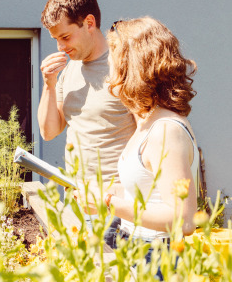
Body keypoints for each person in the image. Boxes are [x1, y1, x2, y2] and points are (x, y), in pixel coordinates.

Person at [75, 17, 199, 280]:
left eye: (112, 66)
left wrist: (108, 204)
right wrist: (106, 192)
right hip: (136, 249)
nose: (109, 77)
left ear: (131, 68)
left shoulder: (166, 130)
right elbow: (147, 191)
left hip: (157, 258)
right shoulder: (147, 122)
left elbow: (183, 219)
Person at [38, 0, 136, 245]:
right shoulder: (68, 70)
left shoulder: (124, 67)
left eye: (66, 37)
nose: (61, 47)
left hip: (118, 207)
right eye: (56, 40)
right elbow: (49, 131)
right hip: (77, 203)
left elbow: (150, 134)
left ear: (89, 23)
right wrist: (49, 83)